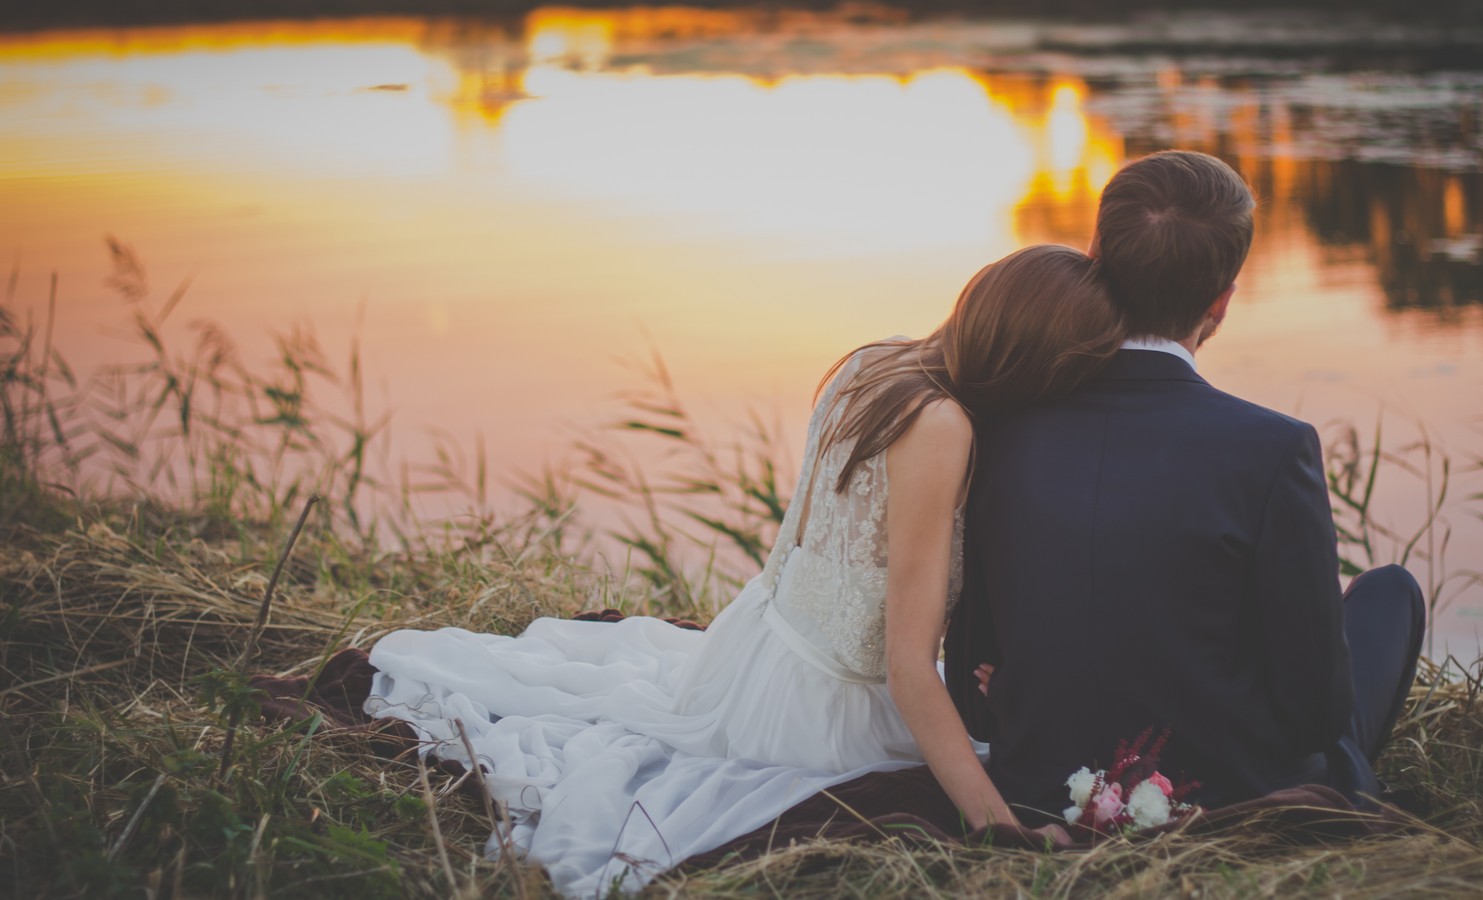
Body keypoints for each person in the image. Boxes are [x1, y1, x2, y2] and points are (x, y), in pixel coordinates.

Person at [365, 244, 1123, 896]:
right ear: (1037, 364)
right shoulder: (942, 426)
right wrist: (997, 829)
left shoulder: (878, 360)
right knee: (985, 776)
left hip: (754, 648)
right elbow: (904, 666)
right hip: (819, 711)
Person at [946, 150, 1426, 818]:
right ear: (1221, 301)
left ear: (1096, 261)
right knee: (1390, 594)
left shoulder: (998, 432)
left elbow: (971, 689)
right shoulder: (1274, 449)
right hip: (1225, 788)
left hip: (1042, 785)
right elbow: (1314, 715)